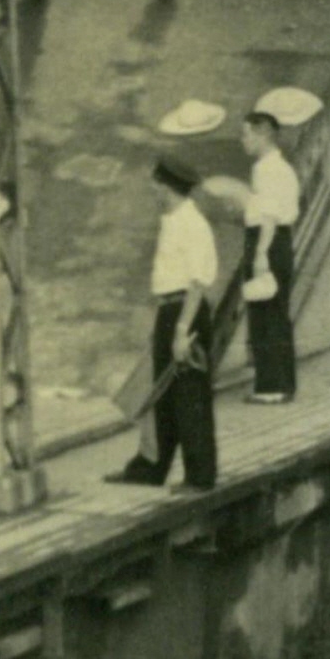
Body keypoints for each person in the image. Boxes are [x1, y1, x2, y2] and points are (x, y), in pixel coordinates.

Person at [120, 157, 221, 492]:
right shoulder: (173, 219)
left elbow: (197, 283)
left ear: (167, 187)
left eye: (155, 183)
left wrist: (181, 332)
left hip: (184, 313)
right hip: (170, 310)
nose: (152, 189)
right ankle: (150, 468)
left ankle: (200, 477)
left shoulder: (191, 224)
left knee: (190, 397)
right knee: (161, 395)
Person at [236, 107, 300, 404]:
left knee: (265, 314)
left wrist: (261, 254)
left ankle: (271, 387)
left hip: (267, 242)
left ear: (263, 134)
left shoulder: (266, 169)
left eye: (246, 134)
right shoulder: (280, 167)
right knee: (277, 312)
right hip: (279, 241)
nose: (243, 141)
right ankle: (283, 383)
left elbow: (270, 216)